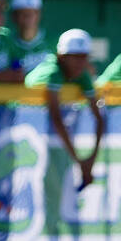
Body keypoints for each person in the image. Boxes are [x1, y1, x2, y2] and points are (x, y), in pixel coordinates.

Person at [24, 29, 104, 189]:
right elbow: (56, 118)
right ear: (62, 57)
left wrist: (91, 160)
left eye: (84, 57)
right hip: (27, 128)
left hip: (51, 134)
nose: (80, 62)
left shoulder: (82, 74)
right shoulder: (53, 72)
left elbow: (99, 118)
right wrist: (80, 162)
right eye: (75, 57)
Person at [7, 0, 51, 74]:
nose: (28, 17)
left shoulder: (54, 42)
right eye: (22, 13)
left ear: (39, 14)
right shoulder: (7, 44)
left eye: (33, 12)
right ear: (13, 16)